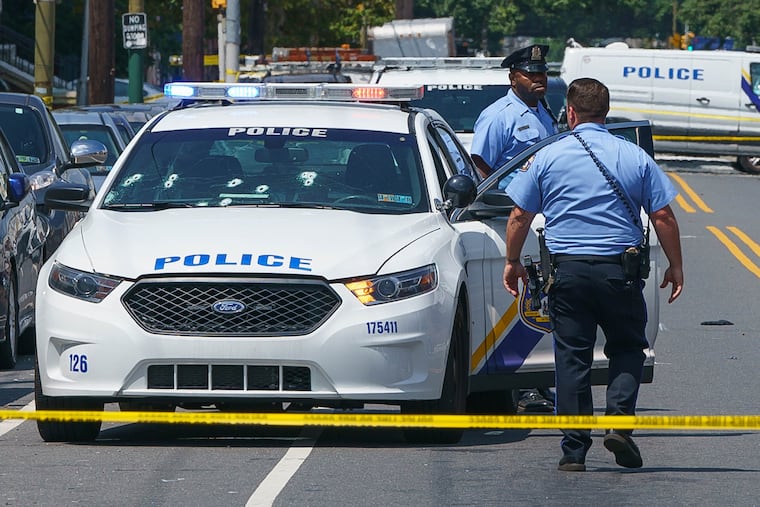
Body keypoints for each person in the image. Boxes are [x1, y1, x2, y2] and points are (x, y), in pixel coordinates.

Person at [503, 77, 684, 471]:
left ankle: (573, 451)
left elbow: (519, 215)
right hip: (618, 273)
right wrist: (676, 264)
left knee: (572, 358)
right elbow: (663, 215)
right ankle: (618, 422)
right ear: (606, 112)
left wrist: (512, 261)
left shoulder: (548, 156)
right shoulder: (633, 156)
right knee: (627, 347)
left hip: (567, 273)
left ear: (570, 112)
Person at [471, 43, 559, 413]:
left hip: (544, 217)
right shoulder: (499, 115)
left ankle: (539, 381)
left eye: (542, 74)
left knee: (543, 303)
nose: (539, 80)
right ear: (513, 78)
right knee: (523, 303)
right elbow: (479, 163)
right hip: (514, 217)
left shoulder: (544, 111)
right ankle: (521, 386)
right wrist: (507, 200)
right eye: (531, 74)